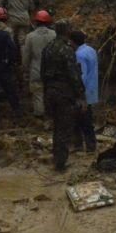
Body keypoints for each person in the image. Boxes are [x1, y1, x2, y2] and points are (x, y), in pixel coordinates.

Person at [40, 19, 86, 171]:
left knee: (56, 128)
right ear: (67, 31)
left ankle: (57, 157)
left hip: (50, 92)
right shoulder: (67, 50)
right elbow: (73, 75)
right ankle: (61, 163)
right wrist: (80, 95)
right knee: (64, 128)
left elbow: (42, 73)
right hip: (64, 93)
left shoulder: (48, 48)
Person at [23, 10, 56, 117]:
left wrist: (25, 70)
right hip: (52, 70)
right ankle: (52, 115)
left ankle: (40, 115)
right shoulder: (54, 35)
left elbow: (26, 56)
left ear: (36, 22)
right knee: (51, 92)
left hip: (36, 70)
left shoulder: (30, 36)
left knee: (38, 93)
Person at [71, 30, 98, 153]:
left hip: (84, 91)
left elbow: (81, 75)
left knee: (80, 120)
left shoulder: (79, 55)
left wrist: (79, 95)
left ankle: (82, 145)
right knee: (88, 120)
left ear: (73, 42)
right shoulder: (91, 50)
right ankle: (90, 145)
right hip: (92, 89)